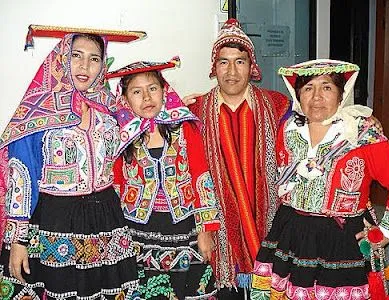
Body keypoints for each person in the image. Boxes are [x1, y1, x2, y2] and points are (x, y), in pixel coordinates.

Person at [0, 25, 147, 299]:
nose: (85, 66)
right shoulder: (38, 113)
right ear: (61, 59)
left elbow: (146, 120)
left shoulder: (109, 111)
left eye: (94, 58)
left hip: (106, 218)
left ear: (103, 65)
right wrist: (18, 239)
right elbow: (22, 175)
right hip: (55, 220)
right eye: (76, 56)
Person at [251, 59, 389, 299]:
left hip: (341, 239)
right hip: (291, 233)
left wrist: (386, 232)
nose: (317, 96)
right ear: (298, 94)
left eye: (327, 87)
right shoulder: (287, 130)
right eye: (308, 88)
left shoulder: (362, 135)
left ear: (342, 94)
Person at [183, 18, 290, 298]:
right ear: (214, 67)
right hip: (220, 239)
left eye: (240, 61)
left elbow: (319, 121)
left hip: (271, 230)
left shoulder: (278, 106)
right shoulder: (195, 112)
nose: (231, 71)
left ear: (251, 66)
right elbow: (185, 174)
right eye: (223, 62)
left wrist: (360, 121)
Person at [107, 58, 220, 299]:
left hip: (183, 227)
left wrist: (206, 230)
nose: (147, 98)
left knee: (186, 289)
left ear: (164, 91)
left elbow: (201, 178)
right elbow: (115, 186)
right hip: (137, 230)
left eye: (153, 89)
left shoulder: (184, 128)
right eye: (137, 91)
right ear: (125, 98)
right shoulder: (121, 136)